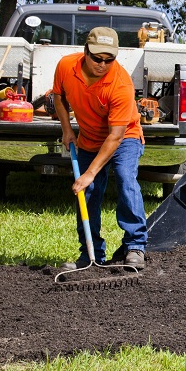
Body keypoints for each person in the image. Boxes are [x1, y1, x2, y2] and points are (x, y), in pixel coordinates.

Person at [52, 27, 147, 270]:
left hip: (125, 136)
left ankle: (135, 245)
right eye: (97, 58)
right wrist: (67, 129)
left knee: (126, 179)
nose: (102, 64)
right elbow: (59, 97)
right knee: (88, 194)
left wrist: (90, 173)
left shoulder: (120, 85)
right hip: (89, 138)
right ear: (85, 52)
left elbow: (115, 137)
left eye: (109, 59)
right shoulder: (66, 66)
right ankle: (91, 254)